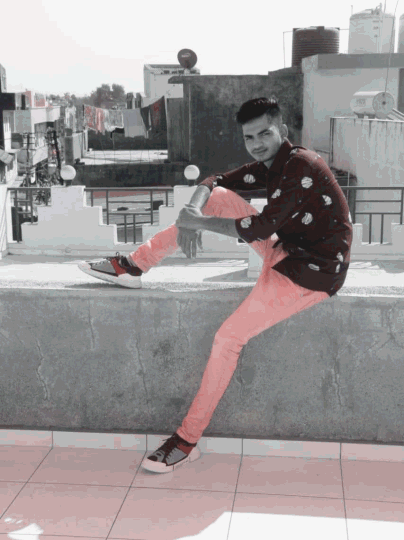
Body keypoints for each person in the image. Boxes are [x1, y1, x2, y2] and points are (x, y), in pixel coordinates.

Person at [78, 97, 353, 474]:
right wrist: (192, 214)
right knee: (220, 198)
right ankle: (134, 266)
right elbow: (214, 182)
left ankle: (186, 440)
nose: (256, 143)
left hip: (311, 273)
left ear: (283, 131)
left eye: (265, 134)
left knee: (228, 338)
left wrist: (196, 223)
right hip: (284, 249)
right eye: (249, 137)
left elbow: (259, 228)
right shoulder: (270, 165)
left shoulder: (300, 165)